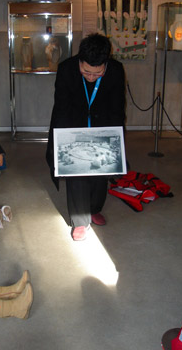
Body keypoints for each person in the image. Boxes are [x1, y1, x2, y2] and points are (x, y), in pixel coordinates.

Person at [46, 33, 126, 241]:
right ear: (79, 61)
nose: (90, 77)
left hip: (102, 126)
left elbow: (118, 107)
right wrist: (62, 140)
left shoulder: (116, 71)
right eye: (86, 72)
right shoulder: (66, 69)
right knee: (77, 170)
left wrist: (117, 140)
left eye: (96, 74)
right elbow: (61, 107)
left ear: (105, 64)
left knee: (100, 170)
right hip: (73, 126)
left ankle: (93, 208)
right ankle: (80, 221)